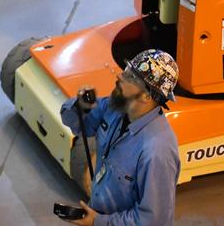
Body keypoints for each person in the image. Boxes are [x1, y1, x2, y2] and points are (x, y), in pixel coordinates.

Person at [59, 49, 181, 226]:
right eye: (127, 70)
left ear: (147, 95)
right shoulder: (116, 108)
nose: (120, 77)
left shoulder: (156, 151)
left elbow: (153, 221)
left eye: (131, 77)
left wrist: (99, 222)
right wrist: (82, 105)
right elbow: (75, 123)